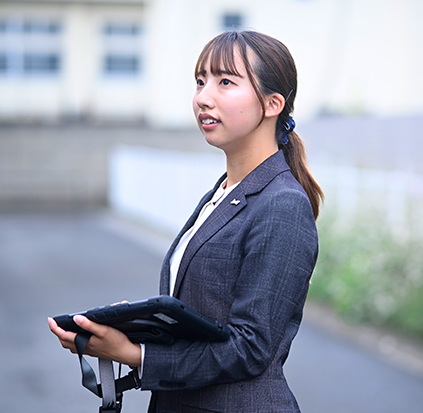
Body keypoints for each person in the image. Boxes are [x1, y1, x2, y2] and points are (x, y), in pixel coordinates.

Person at [48, 30, 323, 412]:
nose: (203, 97)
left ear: (273, 103)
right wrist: (139, 327)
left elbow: (251, 348)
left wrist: (137, 354)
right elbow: (207, 318)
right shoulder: (223, 193)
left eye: (225, 81)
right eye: (200, 81)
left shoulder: (282, 204)